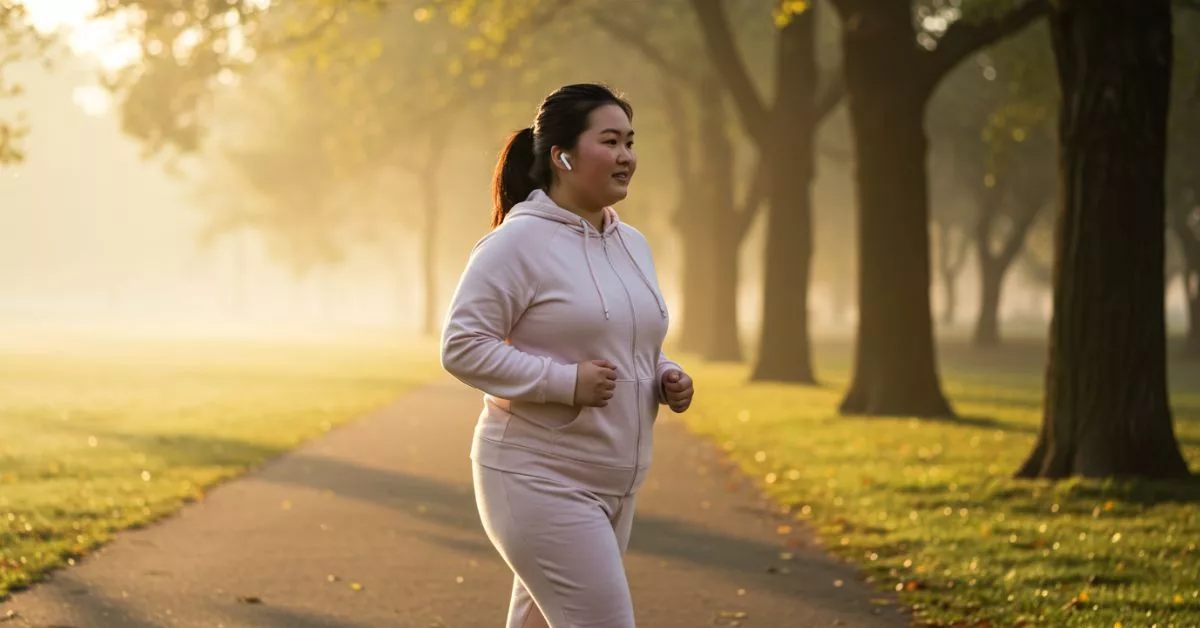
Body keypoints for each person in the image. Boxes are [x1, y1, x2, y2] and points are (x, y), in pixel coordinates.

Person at [440, 83, 694, 628]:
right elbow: (462, 346)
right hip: (537, 476)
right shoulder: (517, 244)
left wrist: (665, 373)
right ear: (563, 155)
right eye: (611, 141)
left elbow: (630, 339)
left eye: (630, 141)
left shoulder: (633, 244)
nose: (627, 156)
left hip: (615, 481)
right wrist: (564, 383)